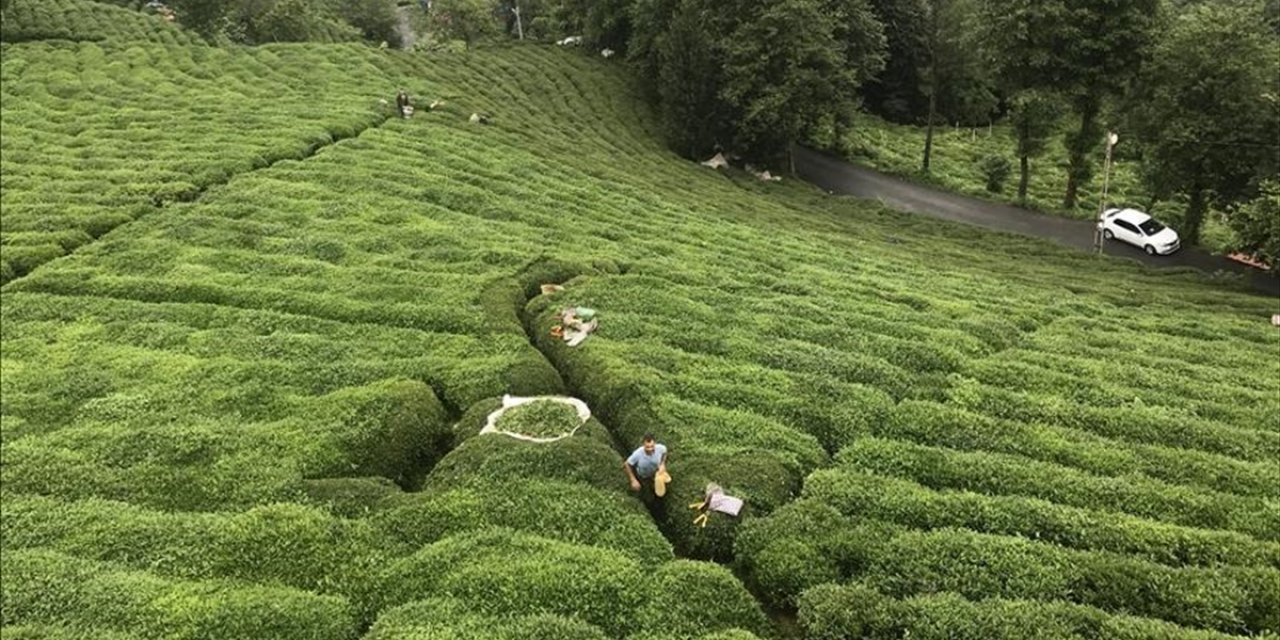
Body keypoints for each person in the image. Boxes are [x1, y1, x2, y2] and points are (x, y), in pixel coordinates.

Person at [624, 434, 668, 520]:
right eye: (647, 447)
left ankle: (660, 505)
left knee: (659, 492)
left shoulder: (660, 448)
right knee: (648, 497)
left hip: (656, 475)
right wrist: (633, 480)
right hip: (643, 477)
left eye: (652, 446)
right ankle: (651, 511)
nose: (650, 449)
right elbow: (627, 464)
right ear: (643, 445)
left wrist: (662, 464)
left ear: (655, 444)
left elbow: (665, 453)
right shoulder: (638, 454)